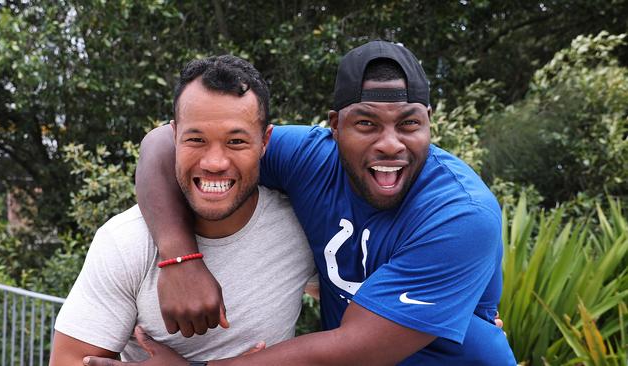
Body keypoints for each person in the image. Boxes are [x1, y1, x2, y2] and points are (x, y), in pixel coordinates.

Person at [86, 40, 516, 365]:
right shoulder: (311, 159)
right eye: (366, 123)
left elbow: (350, 349)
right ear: (335, 127)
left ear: (428, 124)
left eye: (409, 124)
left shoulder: (461, 215)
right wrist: (180, 259)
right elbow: (165, 141)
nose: (390, 144)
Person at [50, 55, 316, 365]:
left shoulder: (300, 227)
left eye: (236, 141)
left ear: (265, 142)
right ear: (174, 136)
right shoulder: (126, 242)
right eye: (196, 139)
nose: (214, 162)